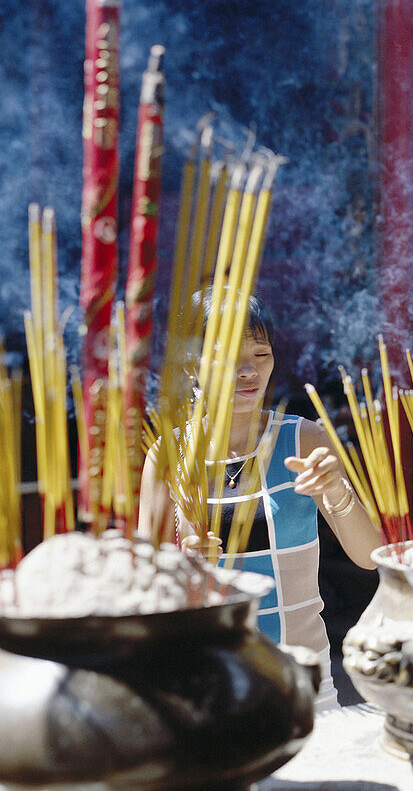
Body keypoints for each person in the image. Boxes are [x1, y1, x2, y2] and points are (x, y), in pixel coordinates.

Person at [137, 291, 382, 711]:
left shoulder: (303, 439)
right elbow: (142, 581)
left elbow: (371, 557)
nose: (248, 371)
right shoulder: (170, 456)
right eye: (228, 357)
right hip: (209, 680)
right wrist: (181, 562)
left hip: (300, 675)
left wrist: (336, 490)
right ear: (192, 365)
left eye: (261, 354)